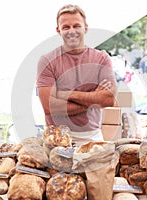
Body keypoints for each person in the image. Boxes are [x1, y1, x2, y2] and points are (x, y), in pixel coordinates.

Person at [36, 4, 117, 146]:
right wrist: (93, 101)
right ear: (58, 30)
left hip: (92, 137)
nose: (71, 31)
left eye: (76, 26)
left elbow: (108, 99)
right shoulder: (47, 60)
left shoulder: (101, 58)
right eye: (66, 27)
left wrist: (65, 94)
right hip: (56, 138)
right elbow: (49, 108)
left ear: (85, 27)